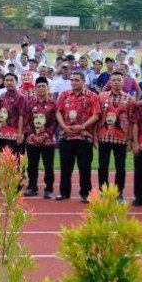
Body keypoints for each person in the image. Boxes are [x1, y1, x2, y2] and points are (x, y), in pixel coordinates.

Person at [56, 72, 100, 202]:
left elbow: (96, 115)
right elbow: (58, 111)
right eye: (72, 80)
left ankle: (86, 193)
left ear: (83, 81)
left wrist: (82, 126)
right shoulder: (64, 95)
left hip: (84, 137)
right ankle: (64, 192)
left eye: (77, 80)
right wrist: (63, 126)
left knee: (84, 167)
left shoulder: (92, 96)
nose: (74, 82)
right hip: (66, 136)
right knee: (65, 167)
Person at [96, 71, 134, 200]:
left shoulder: (129, 99)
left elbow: (131, 120)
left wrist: (130, 139)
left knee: (120, 166)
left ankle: (119, 192)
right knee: (102, 166)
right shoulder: (101, 96)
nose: (116, 82)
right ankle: (103, 190)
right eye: (114, 80)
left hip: (121, 138)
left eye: (119, 80)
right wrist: (95, 135)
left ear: (123, 82)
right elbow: (97, 117)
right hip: (104, 136)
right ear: (110, 82)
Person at [23, 77, 57, 198]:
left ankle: (49, 189)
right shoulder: (30, 103)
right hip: (32, 140)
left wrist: (45, 135)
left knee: (49, 166)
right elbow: (26, 121)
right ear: (35, 88)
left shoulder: (53, 104)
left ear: (48, 88)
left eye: (43, 86)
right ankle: (32, 187)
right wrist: (32, 135)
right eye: (39, 86)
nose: (41, 89)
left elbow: (55, 122)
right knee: (32, 165)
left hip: (48, 140)